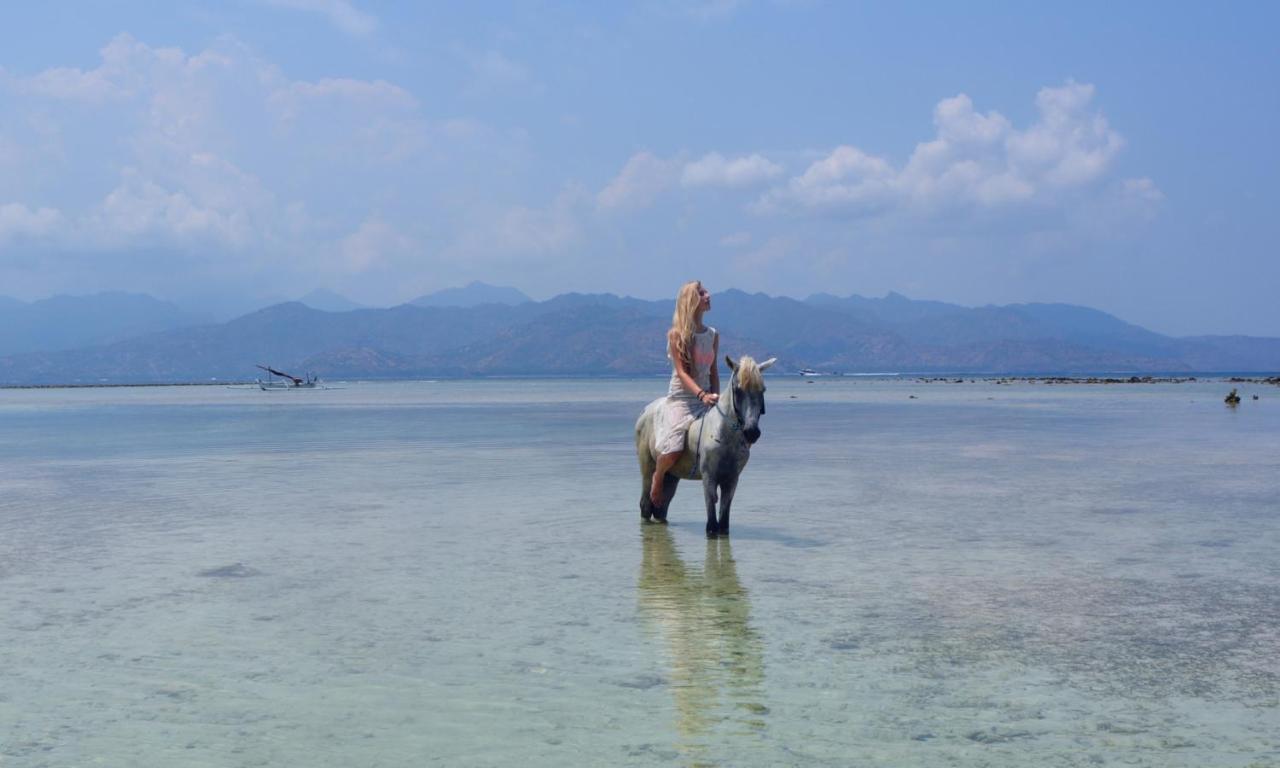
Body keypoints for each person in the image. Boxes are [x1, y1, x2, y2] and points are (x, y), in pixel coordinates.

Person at [650, 280, 719, 505]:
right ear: (691, 300)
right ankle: (658, 476)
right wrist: (701, 395)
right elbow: (681, 373)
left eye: (706, 291)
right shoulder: (676, 335)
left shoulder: (713, 335)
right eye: (702, 293)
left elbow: (714, 371)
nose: (708, 295)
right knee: (673, 448)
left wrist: (715, 397)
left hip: (707, 397)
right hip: (683, 398)